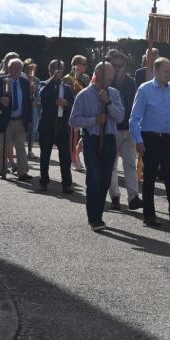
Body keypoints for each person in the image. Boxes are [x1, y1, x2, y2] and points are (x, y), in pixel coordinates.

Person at [130, 57, 170, 227]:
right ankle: (149, 216)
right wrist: (139, 140)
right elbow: (134, 119)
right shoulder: (144, 90)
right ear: (155, 71)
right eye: (165, 71)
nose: (168, 74)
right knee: (149, 178)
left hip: (169, 139)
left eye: (169, 71)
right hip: (150, 138)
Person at [70, 61, 125, 232]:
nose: (113, 76)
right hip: (91, 140)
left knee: (105, 179)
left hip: (108, 139)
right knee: (94, 177)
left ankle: (99, 213)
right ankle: (94, 217)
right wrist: (94, 120)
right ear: (100, 74)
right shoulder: (84, 95)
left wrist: (107, 103)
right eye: (110, 73)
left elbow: (120, 117)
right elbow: (73, 120)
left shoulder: (114, 94)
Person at [105, 49, 141, 211]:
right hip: (112, 129)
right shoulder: (105, 83)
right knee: (111, 165)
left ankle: (133, 197)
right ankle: (115, 197)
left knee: (130, 164)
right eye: (114, 65)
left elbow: (134, 107)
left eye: (120, 65)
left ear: (125, 66)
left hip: (129, 128)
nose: (117, 68)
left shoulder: (131, 83)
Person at [0, 58, 33, 181]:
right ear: (9, 68)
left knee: (20, 147)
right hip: (5, 120)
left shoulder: (24, 83)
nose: (17, 70)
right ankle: (2, 171)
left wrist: (29, 119)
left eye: (20, 68)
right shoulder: (0, 81)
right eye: (14, 68)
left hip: (20, 121)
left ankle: (22, 172)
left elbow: (27, 102)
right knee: (3, 147)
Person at [38, 60, 75, 193]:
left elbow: (73, 107)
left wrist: (66, 104)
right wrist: (53, 80)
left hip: (62, 126)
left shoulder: (67, 88)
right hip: (47, 125)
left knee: (65, 156)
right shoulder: (44, 84)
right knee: (45, 155)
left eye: (59, 69)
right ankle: (43, 181)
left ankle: (67, 184)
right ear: (50, 70)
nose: (57, 71)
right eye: (54, 68)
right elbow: (41, 96)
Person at [65, 55, 90, 172]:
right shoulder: (66, 78)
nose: (86, 66)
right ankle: (73, 159)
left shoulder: (86, 78)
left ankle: (76, 156)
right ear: (76, 65)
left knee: (83, 136)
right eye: (83, 64)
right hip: (72, 111)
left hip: (84, 110)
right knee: (73, 136)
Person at [24, 59, 41, 160]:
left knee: (33, 128)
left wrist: (36, 100)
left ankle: (30, 150)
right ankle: (20, 149)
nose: (31, 70)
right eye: (29, 68)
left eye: (33, 68)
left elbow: (39, 95)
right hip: (24, 106)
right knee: (22, 128)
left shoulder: (37, 80)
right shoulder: (21, 78)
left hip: (33, 107)